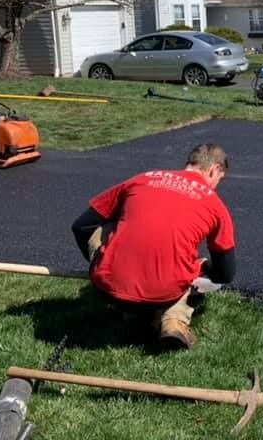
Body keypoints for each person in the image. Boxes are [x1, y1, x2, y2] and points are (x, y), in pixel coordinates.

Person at [71, 143, 236, 349]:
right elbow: (225, 274)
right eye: (219, 180)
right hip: (163, 294)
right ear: (214, 169)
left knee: (110, 226)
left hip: (108, 288)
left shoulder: (142, 179)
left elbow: (81, 226)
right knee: (185, 263)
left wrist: (99, 262)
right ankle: (173, 320)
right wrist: (203, 267)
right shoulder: (216, 206)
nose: (215, 186)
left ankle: (129, 301)